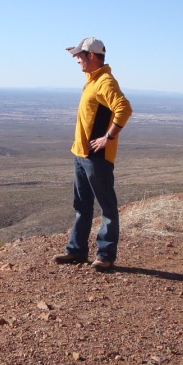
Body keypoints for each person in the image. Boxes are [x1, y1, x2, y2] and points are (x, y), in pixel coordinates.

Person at [54, 37, 133, 270]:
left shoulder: (105, 82)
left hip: (97, 157)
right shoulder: (92, 80)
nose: (76, 59)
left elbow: (124, 108)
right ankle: (76, 251)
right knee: (82, 206)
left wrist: (108, 137)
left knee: (107, 207)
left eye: (80, 55)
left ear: (92, 55)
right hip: (80, 154)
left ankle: (106, 255)